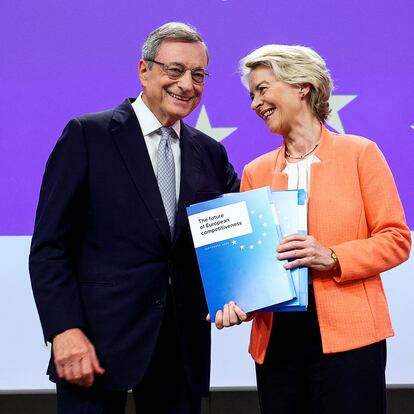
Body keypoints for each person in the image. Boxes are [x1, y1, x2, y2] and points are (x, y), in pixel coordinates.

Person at [29, 22, 239, 414]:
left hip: (180, 353)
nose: (186, 84)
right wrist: (63, 329)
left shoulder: (210, 153)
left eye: (198, 74)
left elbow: (239, 232)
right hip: (93, 344)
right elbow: (49, 247)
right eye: (174, 70)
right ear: (144, 70)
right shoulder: (87, 135)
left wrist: (245, 290)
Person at [214, 44, 411, 414]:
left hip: (351, 340)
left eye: (263, 89)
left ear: (302, 85)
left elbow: (396, 240)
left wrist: (333, 256)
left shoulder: (361, 153)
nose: (255, 103)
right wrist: (235, 301)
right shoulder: (255, 172)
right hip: (277, 345)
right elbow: (249, 266)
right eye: (252, 94)